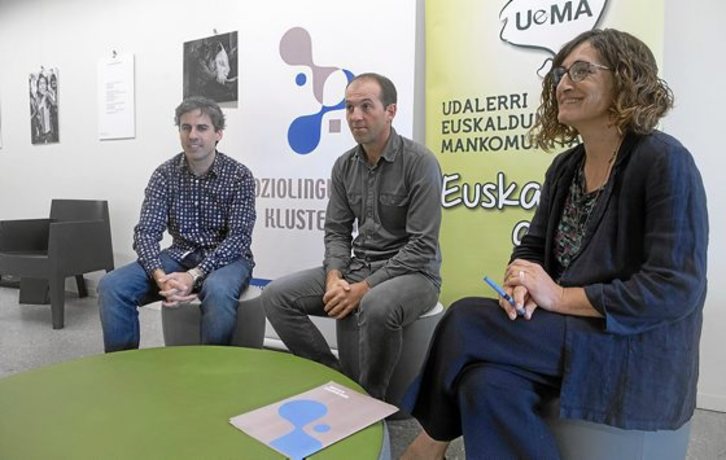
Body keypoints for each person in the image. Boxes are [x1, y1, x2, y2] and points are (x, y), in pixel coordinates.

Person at [401, 28, 708, 459]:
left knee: (465, 319)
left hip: (630, 347)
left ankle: (426, 447)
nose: (564, 83)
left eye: (581, 70)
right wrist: (522, 284)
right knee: (483, 383)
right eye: (560, 73)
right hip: (563, 336)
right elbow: (532, 247)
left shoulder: (664, 160)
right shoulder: (566, 167)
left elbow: (675, 289)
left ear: (626, 78)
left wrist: (560, 297)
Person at [262, 73, 442, 400]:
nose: (355, 116)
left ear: (390, 111)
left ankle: (369, 399)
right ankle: (336, 378)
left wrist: (364, 288)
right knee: (276, 296)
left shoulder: (420, 163)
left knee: (375, 305)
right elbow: (337, 231)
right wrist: (334, 276)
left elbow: (422, 246)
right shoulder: (344, 166)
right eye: (349, 107)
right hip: (361, 266)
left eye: (366, 106)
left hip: (415, 274)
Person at [98, 96, 256, 353]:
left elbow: (239, 238)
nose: (192, 135)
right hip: (180, 255)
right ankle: (123, 369)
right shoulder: (164, 174)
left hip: (228, 259)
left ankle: (210, 371)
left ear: (218, 134)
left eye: (202, 128)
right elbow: (146, 232)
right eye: (186, 127)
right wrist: (160, 276)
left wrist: (194, 275)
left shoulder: (239, 176)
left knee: (217, 290)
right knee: (112, 286)